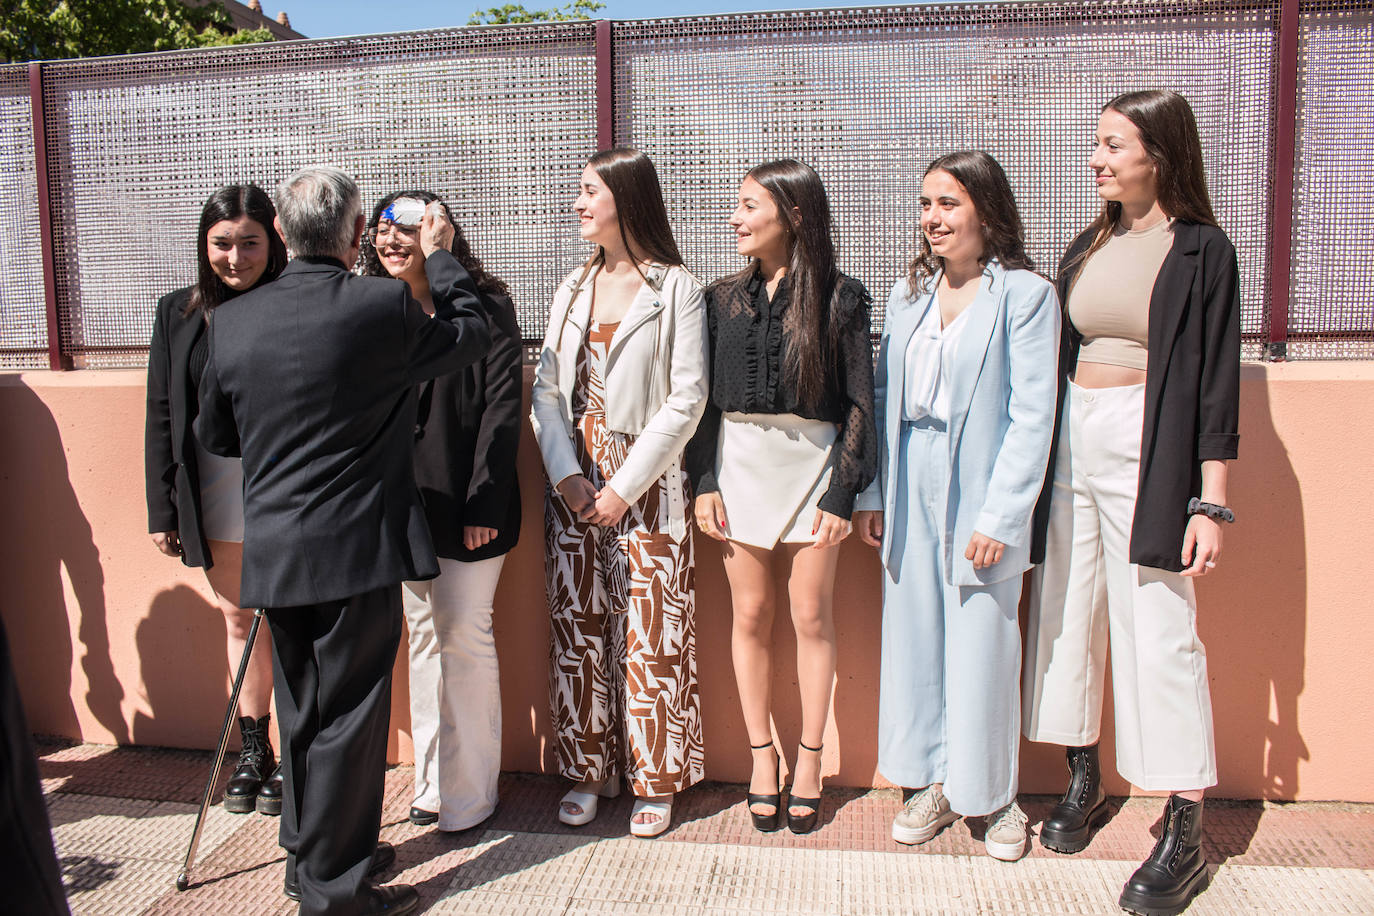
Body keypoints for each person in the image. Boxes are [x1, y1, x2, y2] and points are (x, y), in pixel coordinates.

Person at [195, 166, 492, 916]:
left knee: (303, 715)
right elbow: (471, 334)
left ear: (286, 235)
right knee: (350, 724)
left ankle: (314, 855)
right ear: (355, 235)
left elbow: (215, 434)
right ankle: (335, 893)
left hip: (278, 550)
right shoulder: (380, 305)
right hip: (357, 550)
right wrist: (443, 255)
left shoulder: (232, 320)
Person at [1021, 89, 1240, 916]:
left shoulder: (1202, 251)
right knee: (1067, 613)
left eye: (1113, 145)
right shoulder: (1092, 242)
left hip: (1148, 448)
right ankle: (1085, 776)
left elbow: (1217, 384)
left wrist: (1208, 501)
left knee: (1158, 628)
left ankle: (1183, 825)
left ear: (1160, 152)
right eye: (1096, 145)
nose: (1096, 160)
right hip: (1072, 440)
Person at [853, 151, 1059, 860]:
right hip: (913, 474)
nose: (931, 219)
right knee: (916, 636)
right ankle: (934, 780)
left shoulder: (1027, 296)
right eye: (925, 204)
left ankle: (995, 797)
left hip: (981, 479)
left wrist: (1002, 516)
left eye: (947, 203)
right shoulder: (906, 297)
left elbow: (1033, 416)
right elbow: (882, 399)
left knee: (984, 640)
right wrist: (875, 493)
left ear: (985, 211)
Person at [686, 159, 876, 835]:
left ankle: (811, 758)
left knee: (809, 614)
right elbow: (702, 403)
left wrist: (842, 493)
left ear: (794, 215)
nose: (735, 218)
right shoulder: (719, 299)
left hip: (814, 469)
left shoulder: (842, 299)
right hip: (738, 464)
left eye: (747, 205)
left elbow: (859, 403)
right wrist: (702, 480)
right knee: (751, 611)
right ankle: (762, 756)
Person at [530, 148, 708, 839]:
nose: (578, 204)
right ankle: (587, 770)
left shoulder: (676, 288)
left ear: (625, 199)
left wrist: (624, 486)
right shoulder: (572, 287)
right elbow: (546, 390)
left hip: (649, 481)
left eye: (588, 191)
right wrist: (567, 475)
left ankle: (655, 780)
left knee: (650, 631)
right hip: (573, 478)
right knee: (579, 629)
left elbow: (687, 399)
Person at [362, 190, 522, 832]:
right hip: (405, 509)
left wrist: (484, 497)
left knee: (462, 634)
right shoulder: (377, 308)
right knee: (424, 640)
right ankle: (431, 780)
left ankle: (471, 790)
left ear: (444, 233)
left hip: (470, 505)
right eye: (383, 228)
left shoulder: (485, 307)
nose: (393, 241)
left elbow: (502, 408)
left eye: (413, 229)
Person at [145, 185, 287, 815]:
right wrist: (162, 509)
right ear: (205, 248)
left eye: (249, 242)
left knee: (288, 623)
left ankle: (300, 750)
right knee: (238, 619)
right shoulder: (178, 312)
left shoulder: (293, 302)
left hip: (288, 487)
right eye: (222, 244)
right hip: (213, 489)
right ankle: (255, 749)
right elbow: (160, 413)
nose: (236, 256)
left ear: (274, 242)